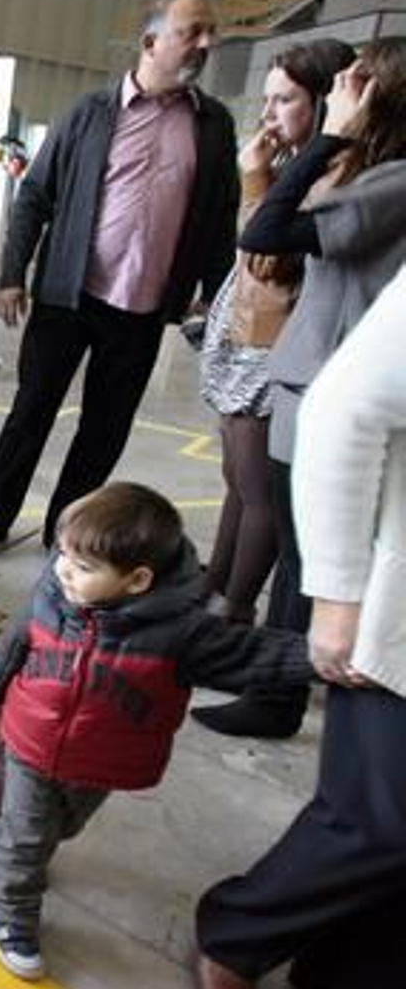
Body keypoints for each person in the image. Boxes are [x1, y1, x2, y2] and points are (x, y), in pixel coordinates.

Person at [0, 482, 314, 982]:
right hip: (30, 738)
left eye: (83, 566)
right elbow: (17, 638)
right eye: (63, 554)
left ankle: (14, 855)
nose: (64, 569)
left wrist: (336, 655)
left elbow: (255, 654)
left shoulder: (182, 633)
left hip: (102, 759)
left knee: (59, 827)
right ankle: (14, 913)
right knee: (27, 836)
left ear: (137, 580)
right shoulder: (54, 591)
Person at [0, 0, 239, 559]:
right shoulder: (89, 112)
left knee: (103, 431)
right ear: (151, 41)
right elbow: (34, 194)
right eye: (192, 31)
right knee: (30, 412)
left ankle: (67, 535)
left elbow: (218, 216)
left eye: (210, 33)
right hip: (67, 296)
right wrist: (12, 273)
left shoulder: (213, 125)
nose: (205, 44)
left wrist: (213, 297)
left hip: (144, 306)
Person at [195, 265, 406, 989]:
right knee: (379, 818)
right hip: (394, 613)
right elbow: (344, 410)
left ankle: (351, 977)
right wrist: (338, 594)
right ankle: (237, 933)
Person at [191, 38, 406, 739]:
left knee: (301, 553)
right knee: (292, 548)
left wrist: (330, 137)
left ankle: (276, 690)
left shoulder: (387, 178)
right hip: (310, 374)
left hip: (325, 384)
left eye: (354, 86)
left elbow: (271, 232)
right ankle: (272, 685)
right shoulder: (373, 173)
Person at [196, 40, 355, 628]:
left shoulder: (332, 171)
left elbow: (268, 258)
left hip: (272, 346)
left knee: (258, 489)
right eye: (266, 99)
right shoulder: (300, 163)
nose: (268, 114)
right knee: (237, 479)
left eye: (284, 99)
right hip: (247, 339)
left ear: (325, 102)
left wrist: (256, 180)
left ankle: (232, 612)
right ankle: (215, 588)